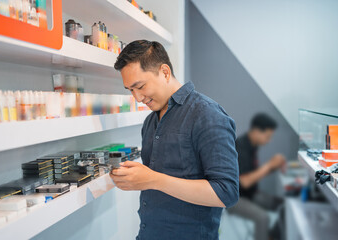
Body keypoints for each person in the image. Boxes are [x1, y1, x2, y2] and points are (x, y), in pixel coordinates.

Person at [109, 40, 239, 240]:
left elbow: (227, 192)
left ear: (165, 72)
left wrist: (153, 180)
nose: (137, 98)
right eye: (130, 90)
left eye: (140, 86)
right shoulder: (150, 122)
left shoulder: (208, 115)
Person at [228, 113, 286, 240]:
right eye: (268, 136)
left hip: (251, 194)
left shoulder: (252, 146)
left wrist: (273, 167)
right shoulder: (241, 147)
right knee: (263, 218)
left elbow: (253, 174)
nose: (269, 140)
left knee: (285, 206)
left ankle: (271, 236)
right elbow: (245, 181)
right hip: (236, 198)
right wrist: (270, 165)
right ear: (256, 131)